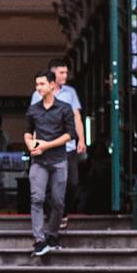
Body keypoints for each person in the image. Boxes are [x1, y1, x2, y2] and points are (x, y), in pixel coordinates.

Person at [25, 71, 77, 256]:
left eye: (41, 84)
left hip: (58, 159)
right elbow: (28, 132)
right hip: (38, 160)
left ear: (52, 85)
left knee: (57, 201)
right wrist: (30, 144)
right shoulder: (33, 110)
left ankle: (52, 235)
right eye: (37, 84)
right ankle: (39, 240)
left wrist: (47, 145)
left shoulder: (64, 108)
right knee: (37, 198)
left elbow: (71, 134)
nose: (38, 88)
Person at [45, 58, 89, 210]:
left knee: (72, 182)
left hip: (68, 146)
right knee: (51, 182)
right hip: (48, 146)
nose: (65, 76)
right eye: (61, 72)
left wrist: (82, 140)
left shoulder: (70, 92)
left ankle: (63, 211)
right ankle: (56, 214)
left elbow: (77, 117)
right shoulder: (40, 92)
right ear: (52, 72)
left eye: (66, 72)